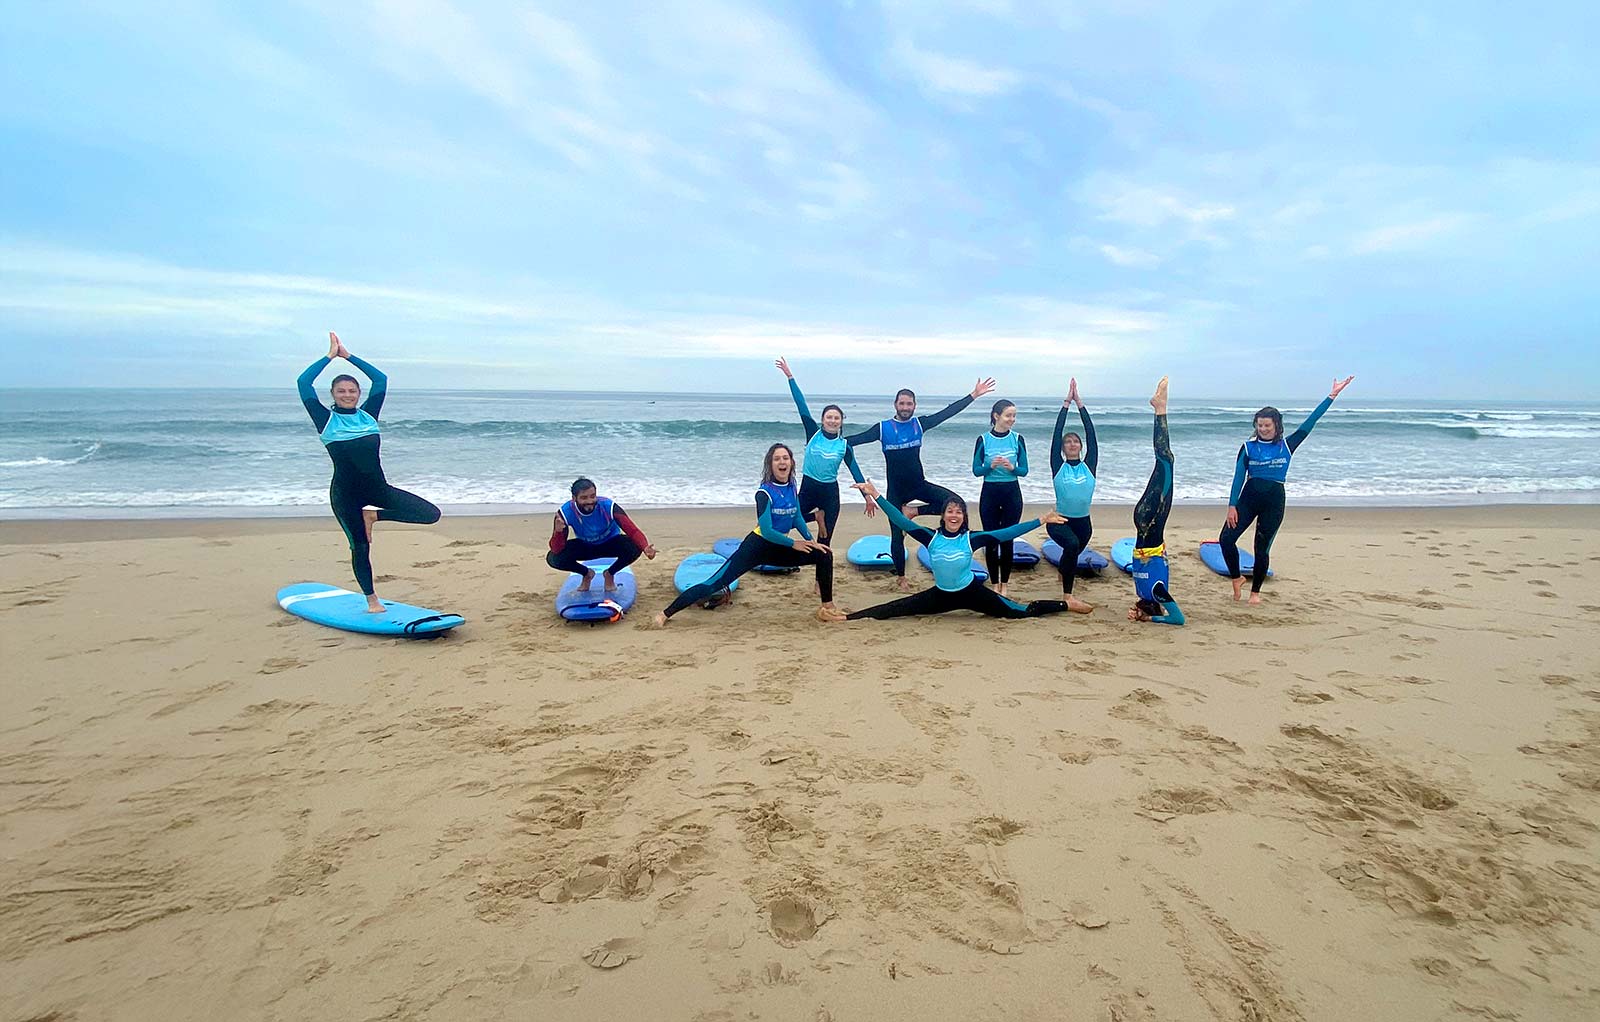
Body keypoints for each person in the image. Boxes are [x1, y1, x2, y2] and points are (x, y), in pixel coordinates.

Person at [297, 332, 440, 613]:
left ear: (359, 394)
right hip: (345, 494)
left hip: (378, 489)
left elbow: (381, 380)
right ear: (333, 395)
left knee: (430, 514)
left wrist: (348, 356)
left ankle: (373, 515)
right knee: (360, 548)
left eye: (352, 391)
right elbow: (303, 383)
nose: (348, 395)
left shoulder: (368, 415)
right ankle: (371, 599)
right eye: (341, 391)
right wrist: (329, 356)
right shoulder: (325, 419)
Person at [656, 443, 843, 625]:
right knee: (714, 583)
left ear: (792, 463)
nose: (781, 462)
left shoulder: (792, 486)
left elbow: (796, 518)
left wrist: (811, 541)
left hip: (780, 547)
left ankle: (827, 608)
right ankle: (665, 614)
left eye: (785, 458)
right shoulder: (764, 493)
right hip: (757, 546)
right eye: (776, 459)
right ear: (770, 465)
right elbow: (768, 530)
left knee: (824, 554)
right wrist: (794, 543)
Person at [847, 376, 997, 590]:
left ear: (914, 406)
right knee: (897, 535)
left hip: (919, 484)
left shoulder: (920, 424)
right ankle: (901, 577)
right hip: (896, 491)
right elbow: (853, 441)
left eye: (909, 403)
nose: (905, 407)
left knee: (955, 503)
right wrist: (827, 439)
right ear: (895, 405)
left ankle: (914, 512)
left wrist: (973, 395)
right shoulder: (882, 429)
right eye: (902, 403)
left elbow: (947, 412)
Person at [845, 481, 1070, 621]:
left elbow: (1008, 533)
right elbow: (899, 519)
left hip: (972, 592)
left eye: (959, 512)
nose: (954, 515)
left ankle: (1066, 605)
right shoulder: (930, 537)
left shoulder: (971, 539)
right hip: (940, 595)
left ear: (964, 517)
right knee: (895, 609)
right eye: (950, 511)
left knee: (1020, 611)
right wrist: (876, 494)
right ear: (943, 516)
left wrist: (1041, 520)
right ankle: (847, 618)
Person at [1218, 376, 1356, 603]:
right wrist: (1232, 505)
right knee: (1226, 539)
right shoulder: (1248, 447)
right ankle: (1236, 578)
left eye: (1267, 425)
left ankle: (1255, 594)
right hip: (1248, 498)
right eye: (1259, 425)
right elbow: (1238, 478)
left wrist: (1332, 396)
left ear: (1276, 426)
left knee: (1261, 548)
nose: (1263, 429)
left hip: (1274, 501)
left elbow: (1310, 423)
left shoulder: (1287, 446)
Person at [775, 357, 876, 542]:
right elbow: (801, 405)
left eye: (836, 418)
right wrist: (790, 376)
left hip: (830, 493)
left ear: (841, 422)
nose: (832, 420)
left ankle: (824, 569)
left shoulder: (844, 446)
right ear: (822, 420)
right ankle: (816, 517)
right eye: (829, 417)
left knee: (825, 541)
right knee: (786, 521)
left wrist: (867, 498)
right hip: (808, 488)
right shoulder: (813, 433)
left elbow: (857, 473)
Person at [1127, 378, 1184, 626]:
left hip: (1151, 522)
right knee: (1162, 462)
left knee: (1166, 460)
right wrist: (1145, 613)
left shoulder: (1157, 592)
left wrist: (1151, 618)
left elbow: (1178, 619)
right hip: (1142, 521)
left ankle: (1160, 408)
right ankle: (1159, 408)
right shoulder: (1142, 591)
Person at [547, 477, 657, 592]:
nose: (590, 501)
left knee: (635, 546)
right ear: (574, 498)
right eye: (584, 498)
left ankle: (609, 574)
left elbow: (632, 530)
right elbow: (556, 549)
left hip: (611, 543)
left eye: (592, 496)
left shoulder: (607, 506)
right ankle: (587, 574)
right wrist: (558, 532)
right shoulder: (564, 513)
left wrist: (645, 546)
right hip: (586, 546)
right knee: (554, 558)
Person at [1048, 377, 1097, 613]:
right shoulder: (1058, 465)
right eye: (1067, 442)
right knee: (1070, 545)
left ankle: (1063, 571)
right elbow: (1057, 432)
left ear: (1080, 446)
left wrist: (1080, 403)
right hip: (1060, 521)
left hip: (1084, 523)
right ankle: (1068, 596)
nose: (1071, 443)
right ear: (1063, 447)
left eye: (1075, 441)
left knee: (1073, 552)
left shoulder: (1090, 465)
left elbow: (1091, 433)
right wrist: (1066, 403)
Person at [972, 398, 1029, 596]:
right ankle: (994, 583)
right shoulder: (983, 439)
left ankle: (1004, 583)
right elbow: (976, 470)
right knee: (991, 540)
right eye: (1008, 415)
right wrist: (991, 466)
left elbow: (1025, 470)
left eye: (1014, 415)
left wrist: (1013, 468)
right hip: (990, 493)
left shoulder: (1018, 439)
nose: (1012, 419)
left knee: (1007, 540)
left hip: (1011, 493)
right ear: (996, 416)